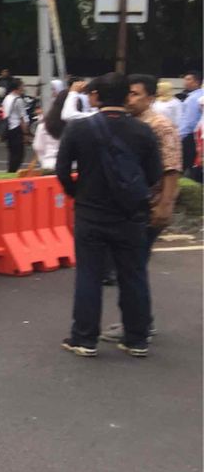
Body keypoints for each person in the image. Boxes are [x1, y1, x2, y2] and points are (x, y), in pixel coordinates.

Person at [56, 73, 161, 358]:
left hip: (91, 212)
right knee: (134, 275)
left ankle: (84, 339)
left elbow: (62, 170)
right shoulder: (143, 131)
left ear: (95, 97)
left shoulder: (79, 129)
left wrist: (77, 192)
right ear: (128, 96)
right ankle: (137, 339)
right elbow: (153, 176)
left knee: (89, 275)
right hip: (130, 215)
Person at [91, 74, 183, 344]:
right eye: (127, 93)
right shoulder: (133, 124)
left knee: (132, 269)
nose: (128, 98)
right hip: (129, 208)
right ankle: (137, 322)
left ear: (150, 98)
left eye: (135, 94)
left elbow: (171, 169)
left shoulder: (159, 126)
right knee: (130, 268)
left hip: (149, 208)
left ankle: (139, 325)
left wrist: (164, 207)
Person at [178, 70, 202, 183]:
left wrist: (179, 137)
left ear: (197, 82)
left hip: (189, 137)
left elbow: (189, 122)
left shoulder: (193, 99)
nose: (185, 82)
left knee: (184, 167)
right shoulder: (198, 95)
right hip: (197, 136)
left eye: (188, 79)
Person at [1, 77, 29, 172]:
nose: (23, 88)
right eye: (22, 86)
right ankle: (12, 172)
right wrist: (25, 134)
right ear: (17, 88)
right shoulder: (18, 100)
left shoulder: (7, 98)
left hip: (8, 128)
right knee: (19, 154)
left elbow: (3, 113)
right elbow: (23, 118)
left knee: (12, 153)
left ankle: (10, 171)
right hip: (17, 129)